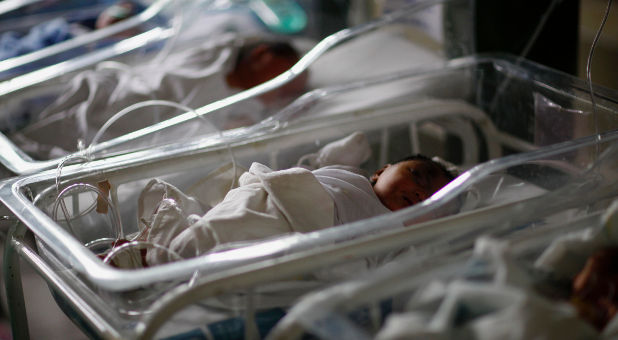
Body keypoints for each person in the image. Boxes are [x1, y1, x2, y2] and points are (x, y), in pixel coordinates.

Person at [137, 133, 456, 265]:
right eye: (417, 176)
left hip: (306, 237)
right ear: (381, 171)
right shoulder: (350, 173)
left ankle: (157, 260)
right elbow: (312, 165)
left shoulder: (398, 236)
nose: (419, 192)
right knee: (216, 229)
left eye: (433, 198)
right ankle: (150, 253)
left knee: (234, 256)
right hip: (275, 197)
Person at [9, 35, 308, 159]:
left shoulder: (244, 105)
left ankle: (25, 147)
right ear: (260, 53)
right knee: (76, 118)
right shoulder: (218, 53)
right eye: (287, 74)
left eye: (292, 87)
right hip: (128, 94)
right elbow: (168, 75)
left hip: (145, 128)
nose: (285, 86)